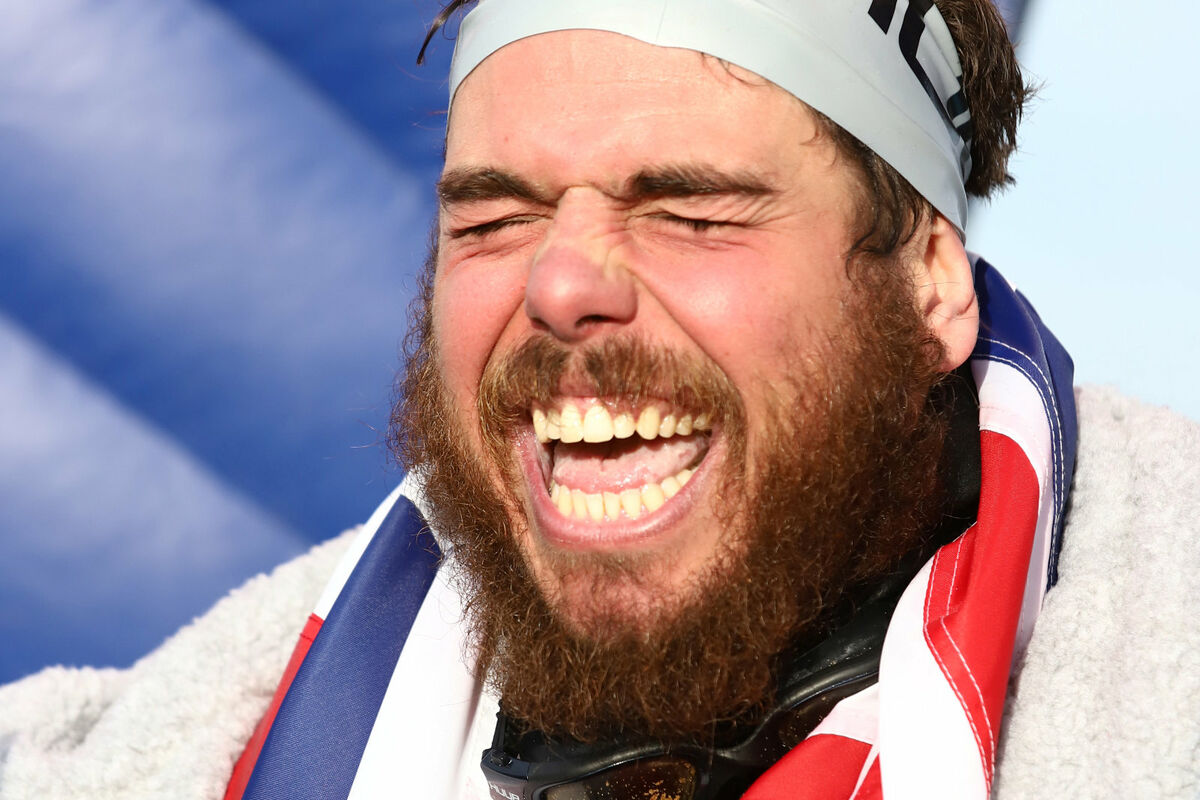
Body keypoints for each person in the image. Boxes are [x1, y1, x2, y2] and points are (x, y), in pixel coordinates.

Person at [2, 1, 1197, 799]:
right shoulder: (148, 754)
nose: (561, 284)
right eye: (493, 218)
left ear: (931, 279)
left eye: (692, 211)